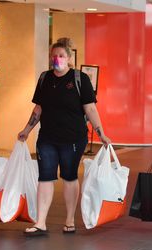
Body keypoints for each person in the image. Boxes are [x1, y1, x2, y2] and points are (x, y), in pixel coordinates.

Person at [18, 38, 111, 236]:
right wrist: (27, 129)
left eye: (61, 56)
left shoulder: (80, 79)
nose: (57, 59)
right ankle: (40, 221)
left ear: (69, 58)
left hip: (73, 138)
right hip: (47, 137)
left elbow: (91, 108)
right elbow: (39, 108)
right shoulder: (44, 78)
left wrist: (101, 133)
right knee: (45, 177)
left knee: (69, 176)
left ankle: (69, 219)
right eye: (54, 56)